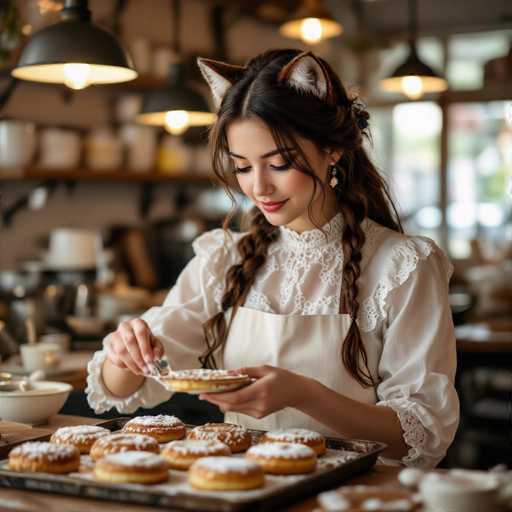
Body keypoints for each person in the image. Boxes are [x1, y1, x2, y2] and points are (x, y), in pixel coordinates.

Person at [86, 49, 459, 468]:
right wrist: (125, 355)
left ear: (331, 150)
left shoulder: (403, 266)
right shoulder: (224, 259)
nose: (259, 187)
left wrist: (304, 395)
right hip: (241, 488)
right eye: (242, 167)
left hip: (352, 496)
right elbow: (119, 389)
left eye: (279, 163)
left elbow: (422, 436)